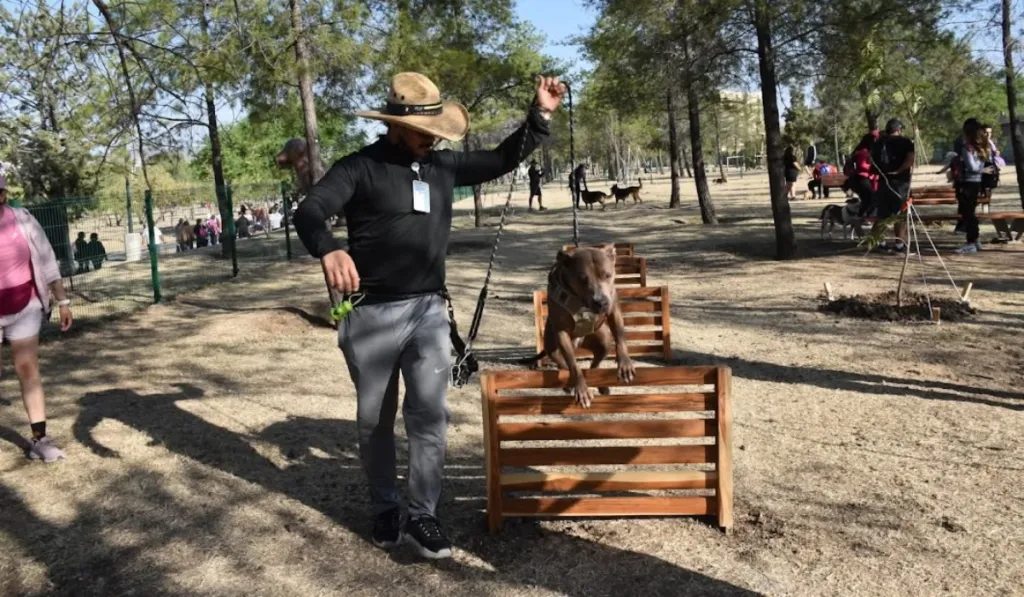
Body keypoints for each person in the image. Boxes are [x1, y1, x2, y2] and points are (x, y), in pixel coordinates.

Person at [293, 72, 564, 560]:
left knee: (429, 416)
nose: (432, 139)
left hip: (429, 312)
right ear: (396, 125)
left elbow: (501, 158)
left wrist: (539, 114)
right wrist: (328, 248)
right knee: (374, 421)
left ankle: (423, 515)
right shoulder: (359, 168)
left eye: (436, 131)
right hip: (370, 314)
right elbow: (310, 210)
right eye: (423, 131)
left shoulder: (442, 166)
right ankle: (385, 507)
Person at [0, 175, 74, 462]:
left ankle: (40, 439)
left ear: (3, 194)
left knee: (27, 368)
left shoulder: (23, 220)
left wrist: (62, 301)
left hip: (24, 305)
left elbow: (46, 260)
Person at [869, 118, 915, 254]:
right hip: (901, 183)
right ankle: (899, 244)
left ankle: (879, 242)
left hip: (884, 181)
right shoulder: (906, 142)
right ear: (899, 130)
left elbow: (871, 160)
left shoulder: (879, 143)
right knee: (901, 213)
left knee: (883, 213)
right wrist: (899, 170)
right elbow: (910, 159)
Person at [954, 119, 988, 254]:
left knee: (968, 214)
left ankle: (971, 242)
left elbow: (972, 167)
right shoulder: (982, 146)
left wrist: (980, 170)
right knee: (970, 212)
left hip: (967, 183)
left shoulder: (967, 148)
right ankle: (975, 239)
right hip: (976, 183)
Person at [848, 134, 879, 217]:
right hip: (862, 178)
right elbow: (862, 165)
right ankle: (861, 216)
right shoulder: (864, 152)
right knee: (868, 199)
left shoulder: (866, 151)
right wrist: (873, 167)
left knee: (868, 199)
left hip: (865, 178)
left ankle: (863, 216)